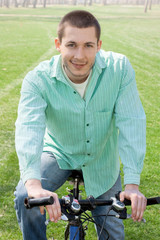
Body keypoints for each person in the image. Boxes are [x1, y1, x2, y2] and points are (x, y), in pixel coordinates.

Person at [14, 10, 147, 240]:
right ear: (58, 44)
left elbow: (131, 122)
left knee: (113, 233)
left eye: (88, 45)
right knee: (25, 196)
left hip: (101, 159)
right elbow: (29, 128)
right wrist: (34, 184)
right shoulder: (37, 80)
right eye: (72, 45)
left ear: (99, 45)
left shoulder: (119, 69)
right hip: (58, 152)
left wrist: (132, 185)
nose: (80, 55)